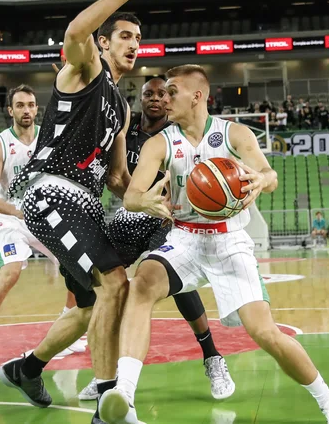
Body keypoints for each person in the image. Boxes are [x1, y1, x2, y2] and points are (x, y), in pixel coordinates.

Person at [98, 64, 329, 424]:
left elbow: (269, 173)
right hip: (184, 237)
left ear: (197, 96)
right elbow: (132, 196)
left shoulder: (233, 134)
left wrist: (259, 181)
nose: (165, 98)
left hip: (229, 240)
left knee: (266, 333)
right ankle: (124, 393)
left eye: (173, 92)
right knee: (141, 283)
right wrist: (147, 202)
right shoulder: (161, 142)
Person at [0, 0, 154, 422]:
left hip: (85, 204)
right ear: (103, 43)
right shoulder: (86, 68)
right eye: (125, 36)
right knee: (113, 283)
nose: (134, 44)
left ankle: (26, 369)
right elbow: (73, 32)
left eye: (139, 39)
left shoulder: (122, 109)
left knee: (93, 306)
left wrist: (158, 197)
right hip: (49, 192)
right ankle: (109, 406)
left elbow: (119, 179)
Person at [77, 76, 235, 402]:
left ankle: (212, 356)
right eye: (148, 93)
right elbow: (115, 178)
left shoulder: (175, 135)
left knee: (174, 280)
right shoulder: (125, 131)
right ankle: (108, 374)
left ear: (169, 100)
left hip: (168, 217)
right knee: (99, 281)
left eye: (162, 94)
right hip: (130, 215)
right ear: (142, 99)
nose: (154, 99)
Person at [0, 85, 86, 368]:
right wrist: (20, 211)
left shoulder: (48, 138)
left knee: (77, 267)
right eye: (20, 105)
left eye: (30, 104)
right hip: (11, 216)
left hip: (45, 215)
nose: (26, 110)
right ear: (10, 110)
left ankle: (68, 330)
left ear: (36, 108)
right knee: (10, 274)